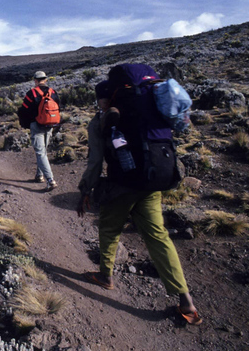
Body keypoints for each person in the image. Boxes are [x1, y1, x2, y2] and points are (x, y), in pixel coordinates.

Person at [77, 80, 202, 325]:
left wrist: (85, 190)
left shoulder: (103, 119)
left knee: (110, 229)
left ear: (105, 99)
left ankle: (106, 276)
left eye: (99, 99)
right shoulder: (147, 109)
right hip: (151, 182)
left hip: (122, 184)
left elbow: (95, 160)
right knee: (158, 236)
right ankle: (186, 300)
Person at [17, 71, 61, 191]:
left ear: (35, 80)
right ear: (45, 80)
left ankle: (50, 180)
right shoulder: (53, 92)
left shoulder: (31, 93)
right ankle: (39, 175)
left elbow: (24, 110)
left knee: (41, 153)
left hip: (36, 125)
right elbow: (59, 108)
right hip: (50, 125)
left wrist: (25, 123)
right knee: (43, 152)